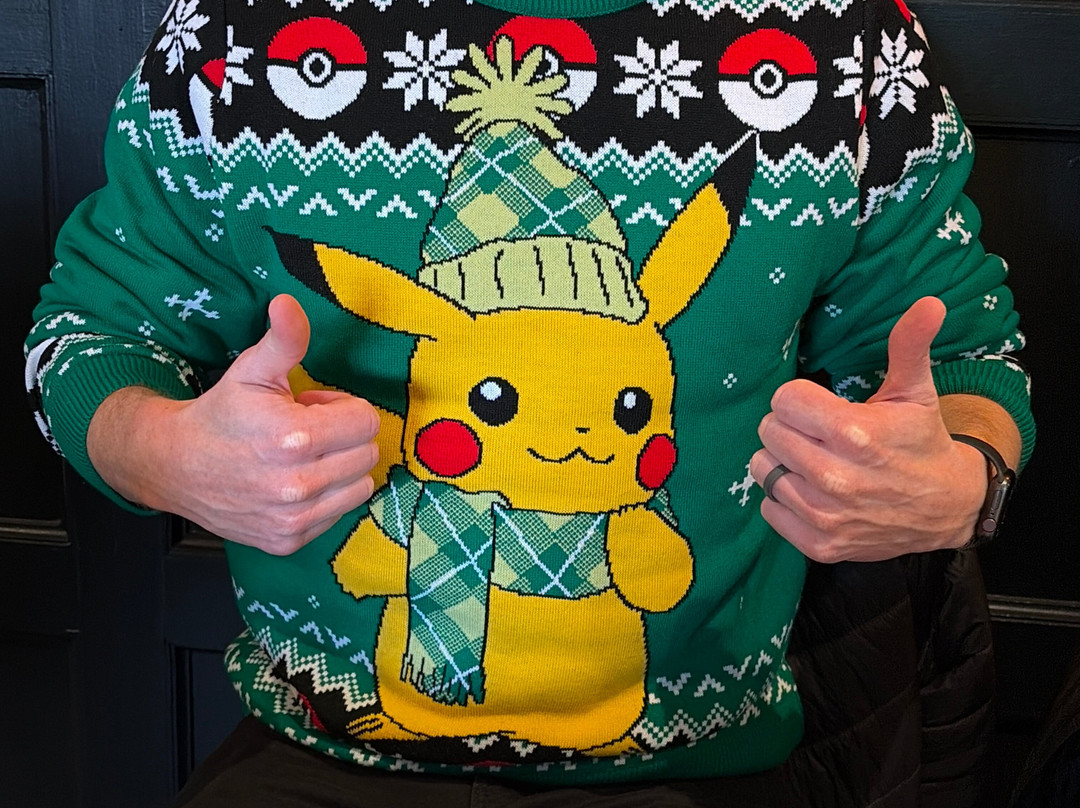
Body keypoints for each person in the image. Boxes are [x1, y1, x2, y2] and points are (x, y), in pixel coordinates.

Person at [26, 0, 1034, 805]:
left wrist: (963, 482)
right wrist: (166, 452)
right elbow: (91, 332)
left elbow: (964, 354)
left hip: (708, 763)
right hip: (319, 747)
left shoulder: (846, 39)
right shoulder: (239, 32)